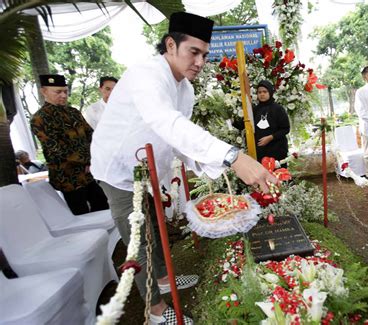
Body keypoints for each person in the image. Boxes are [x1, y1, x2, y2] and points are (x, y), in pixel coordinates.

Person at [90, 12, 277, 325]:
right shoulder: (147, 74)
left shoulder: (185, 89)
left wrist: (222, 164)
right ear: (170, 45)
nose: (200, 61)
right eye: (194, 52)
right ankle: (155, 311)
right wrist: (233, 156)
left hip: (147, 168)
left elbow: (179, 140)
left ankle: (164, 280)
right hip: (119, 172)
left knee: (155, 225)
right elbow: (167, 123)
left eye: (205, 54)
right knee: (140, 240)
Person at [30, 74, 109, 215]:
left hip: (88, 173)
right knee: (81, 214)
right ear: (44, 91)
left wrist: (93, 160)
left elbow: (91, 136)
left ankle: (109, 237)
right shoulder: (39, 118)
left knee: (103, 205)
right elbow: (55, 148)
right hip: (67, 177)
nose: (63, 95)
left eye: (65, 91)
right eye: (58, 92)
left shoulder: (73, 112)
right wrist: (86, 161)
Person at [234, 80, 290, 165]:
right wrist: (230, 117)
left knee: (278, 176)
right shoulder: (254, 110)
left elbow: (285, 129)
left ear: (270, 92)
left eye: (265, 91)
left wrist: (271, 137)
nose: (262, 94)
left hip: (277, 151)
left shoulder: (278, 109)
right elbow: (243, 125)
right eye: (259, 92)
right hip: (260, 153)